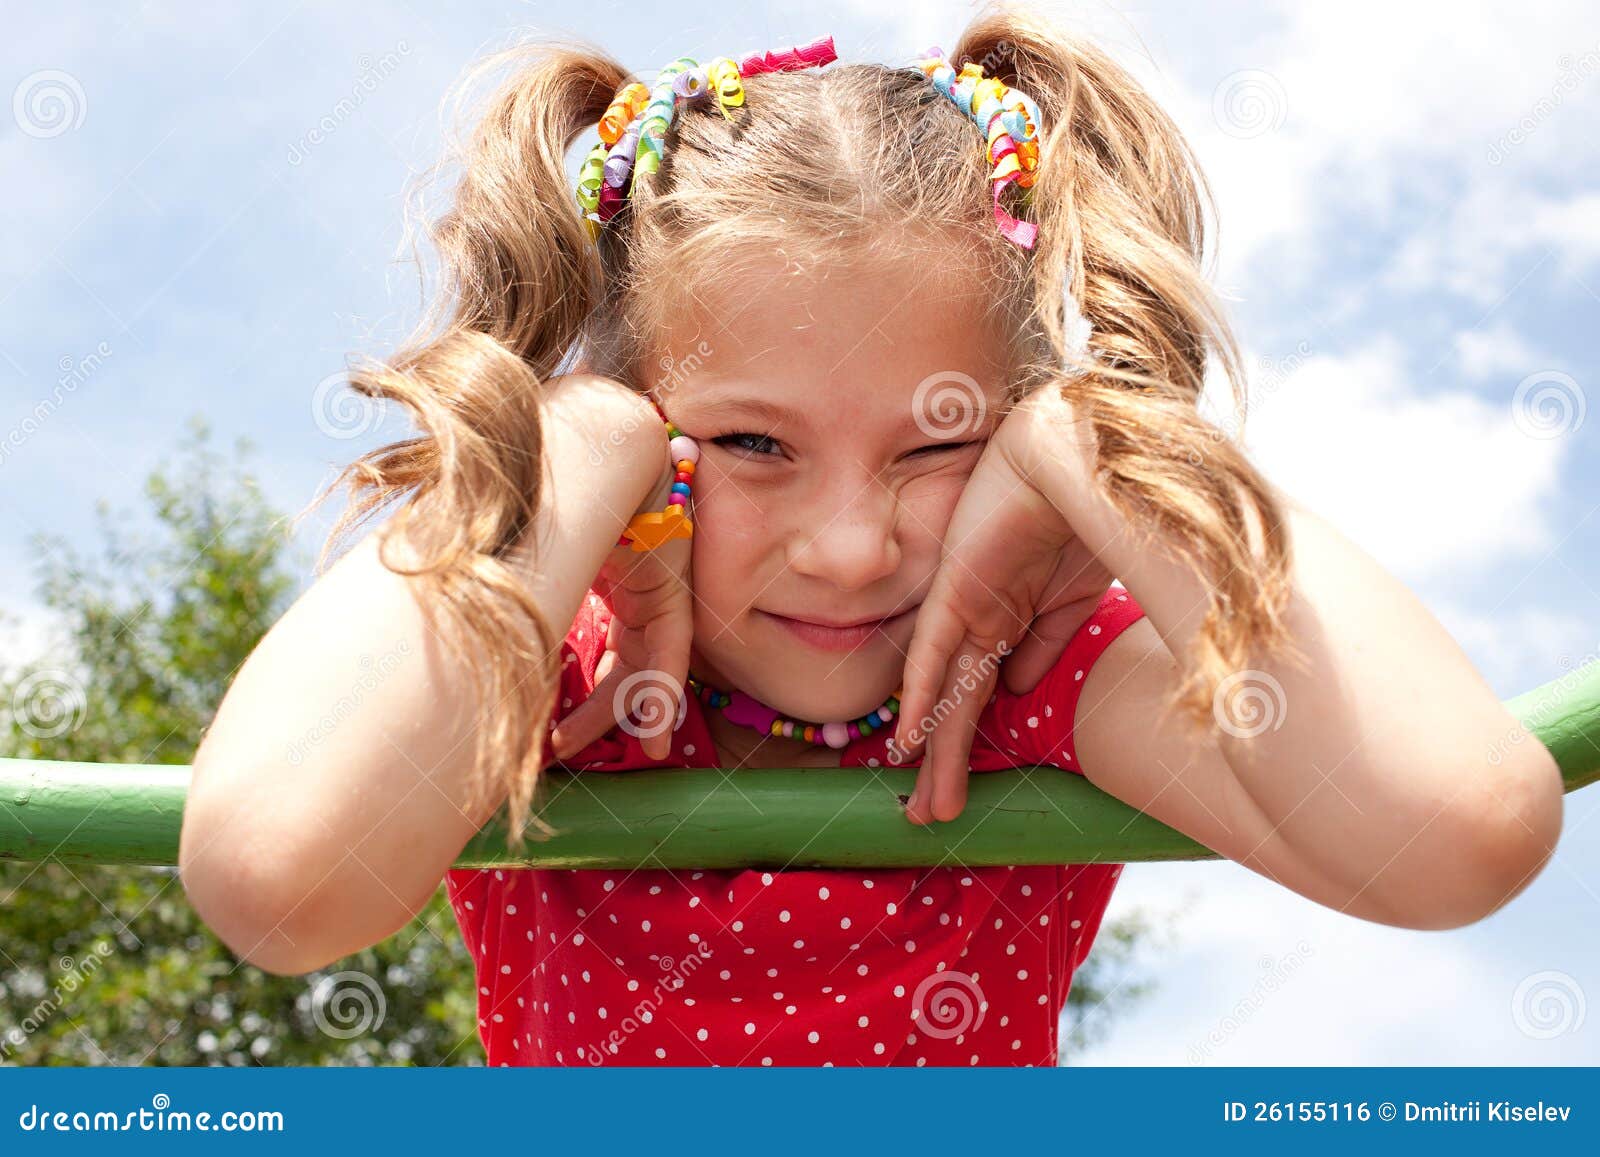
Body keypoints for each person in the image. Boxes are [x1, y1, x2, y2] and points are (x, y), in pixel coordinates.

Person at [177, 5, 1564, 1068]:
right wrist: (582, 436)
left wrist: (1095, 443)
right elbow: (272, 878)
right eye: (749, 444)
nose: (850, 546)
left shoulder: (1023, 685)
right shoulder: (559, 672)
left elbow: (1459, 833)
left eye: (940, 443)